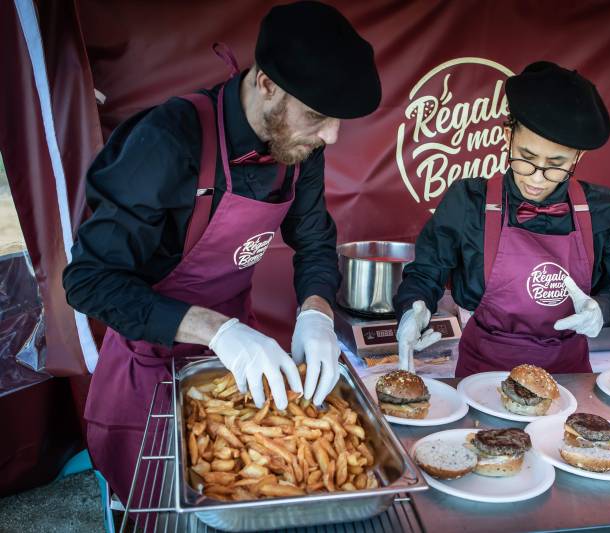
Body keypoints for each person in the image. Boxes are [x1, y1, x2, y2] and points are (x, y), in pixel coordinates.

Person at [62, 1, 380, 502]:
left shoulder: (299, 146)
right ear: (267, 85)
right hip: (152, 367)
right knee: (167, 506)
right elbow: (89, 281)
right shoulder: (167, 141)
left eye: (337, 121)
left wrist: (316, 312)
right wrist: (217, 330)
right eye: (319, 116)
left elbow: (315, 239)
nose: (331, 136)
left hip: (241, 364)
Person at [394, 61, 610, 376]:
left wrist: (601, 309)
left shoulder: (602, 208)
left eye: (556, 164)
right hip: (483, 375)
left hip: (568, 377)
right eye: (527, 158)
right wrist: (414, 309)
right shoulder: (468, 201)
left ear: (579, 156)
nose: (537, 178)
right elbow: (426, 274)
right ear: (508, 135)